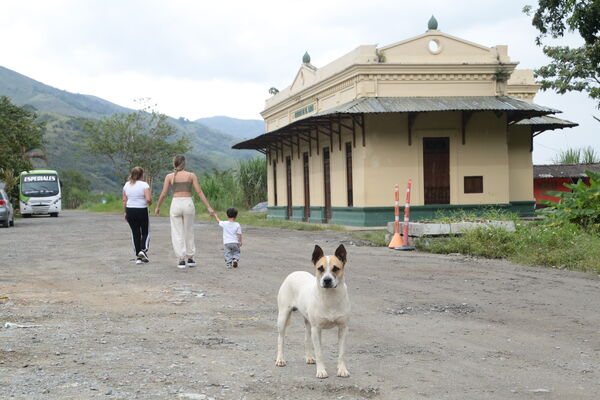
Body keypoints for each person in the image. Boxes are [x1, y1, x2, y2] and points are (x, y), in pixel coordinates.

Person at [155, 155, 215, 269]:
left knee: (177, 232)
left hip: (176, 204)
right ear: (184, 163)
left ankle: (181, 259)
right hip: (188, 203)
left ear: (174, 164)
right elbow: (199, 192)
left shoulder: (169, 176)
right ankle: (191, 258)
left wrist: (158, 207)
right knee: (189, 231)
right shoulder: (191, 175)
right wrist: (209, 207)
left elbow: (163, 194)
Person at [122, 166, 152, 265]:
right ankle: (143, 250)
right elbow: (148, 199)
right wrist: (150, 202)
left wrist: (125, 212)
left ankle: (138, 258)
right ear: (141, 175)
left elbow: (124, 200)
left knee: (135, 233)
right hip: (142, 210)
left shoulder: (127, 185)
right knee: (145, 232)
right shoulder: (144, 185)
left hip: (130, 210)